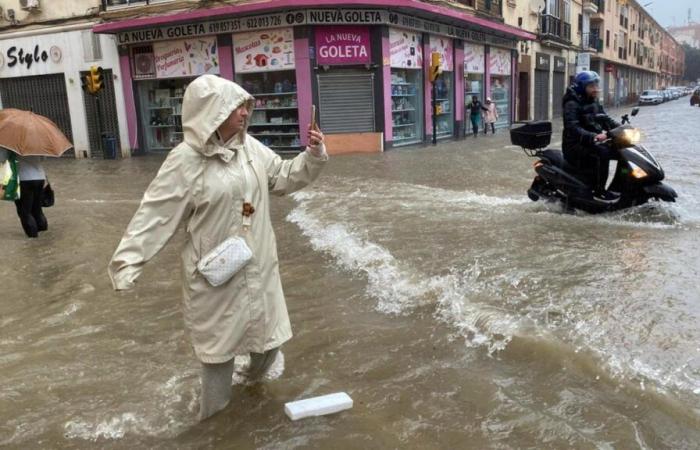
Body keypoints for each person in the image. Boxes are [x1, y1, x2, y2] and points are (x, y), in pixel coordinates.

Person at [107, 74, 328, 421]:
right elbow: (155, 213)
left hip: (259, 267)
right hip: (216, 277)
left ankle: (249, 392)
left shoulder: (250, 149)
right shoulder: (185, 161)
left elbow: (283, 176)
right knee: (218, 356)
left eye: (244, 106)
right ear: (212, 112)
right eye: (236, 106)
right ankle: (212, 427)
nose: (244, 113)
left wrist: (313, 155)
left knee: (269, 343)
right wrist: (128, 262)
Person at [562, 71, 621, 201]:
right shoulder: (572, 104)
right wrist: (594, 136)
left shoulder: (593, 102)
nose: (596, 89)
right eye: (591, 86)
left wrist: (621, 128)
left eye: (596, 85)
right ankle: (599, 191)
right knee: (603, 153)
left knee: (620, 151)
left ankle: (621, 187)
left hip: (591, 142)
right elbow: (572, 127)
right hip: (574, 145)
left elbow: (605, 119)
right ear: (582, 87)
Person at [0, 149, 48, 238]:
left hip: (23, 179)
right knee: (37, 208)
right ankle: (43, 231)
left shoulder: (11, 144)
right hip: (40, 177)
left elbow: (2, 158)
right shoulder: (38, 142)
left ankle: (33, 237)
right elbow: (43, 159)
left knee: (25, 211)